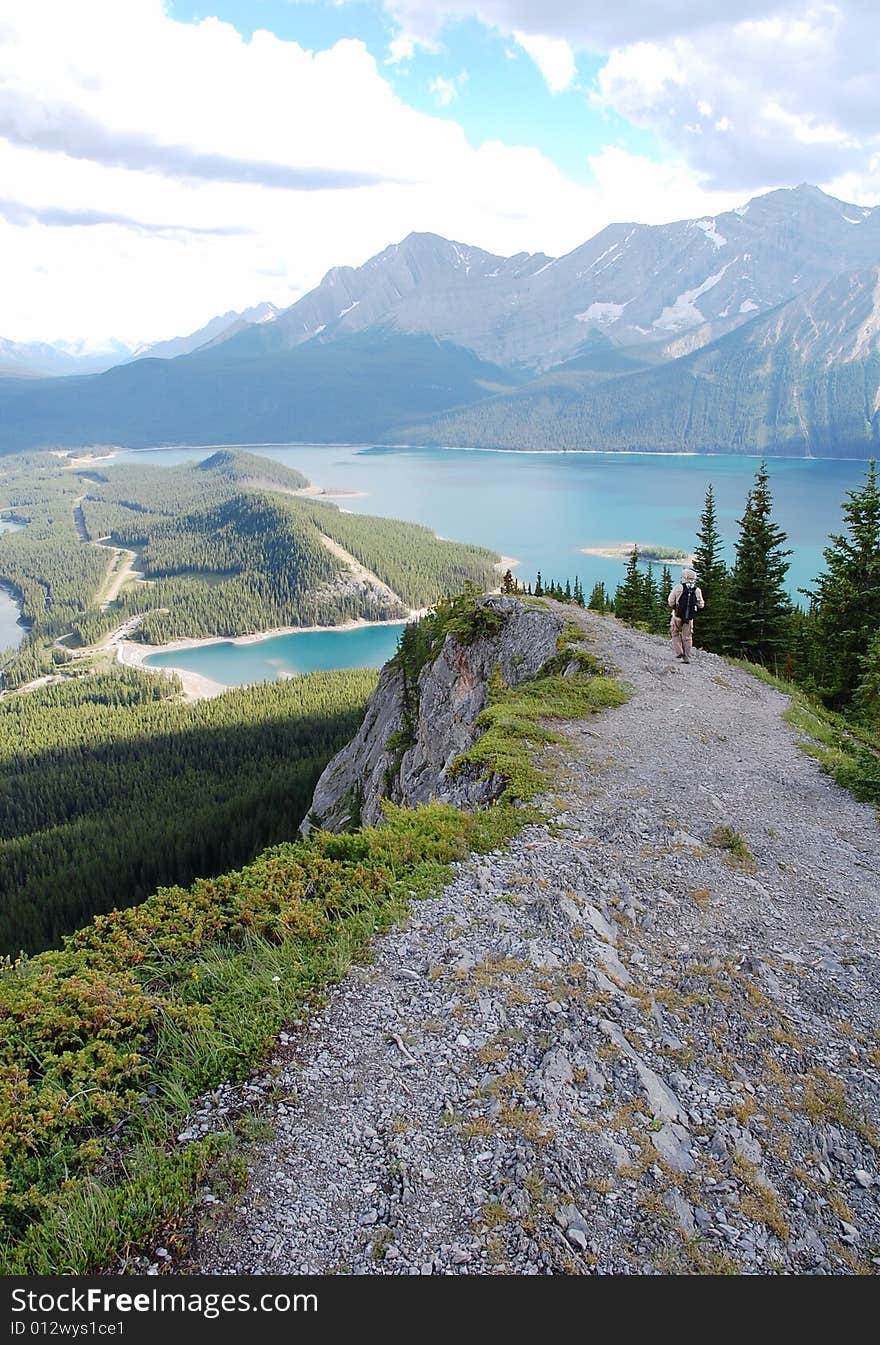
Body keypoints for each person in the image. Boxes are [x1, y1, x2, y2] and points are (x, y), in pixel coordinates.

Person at [667, 567, 704, 663]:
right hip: (689, 618)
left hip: (677, 615)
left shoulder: (678, 587)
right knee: (687, 637)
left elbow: (670, 602)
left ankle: (679, 651)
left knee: (675, 633)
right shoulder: (697, 590)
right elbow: (701, 605)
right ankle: (687, 657)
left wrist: (675, 606)